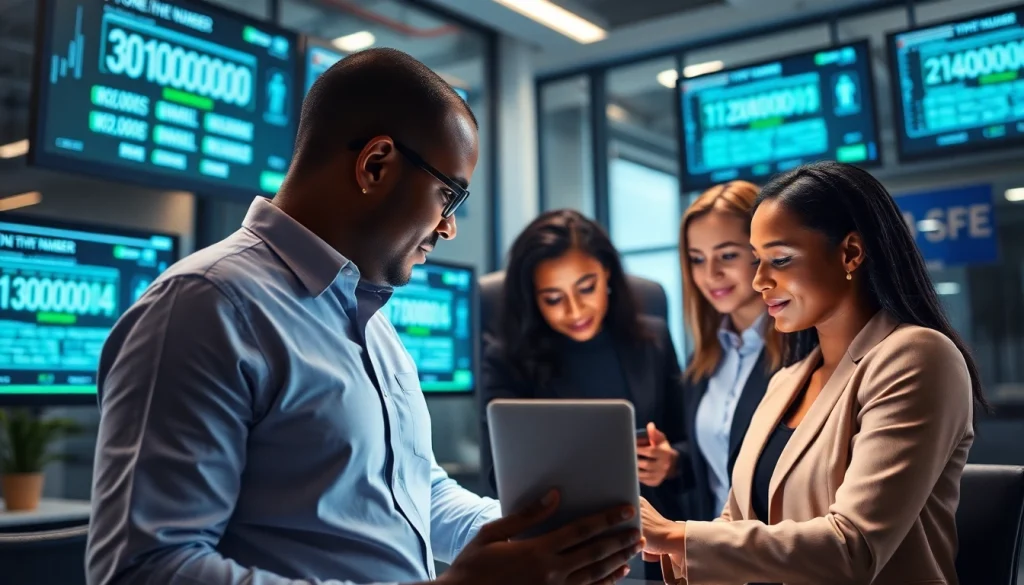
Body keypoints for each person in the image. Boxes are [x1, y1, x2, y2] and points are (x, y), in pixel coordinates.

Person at [85, 49, 643, 585]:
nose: (448, 228)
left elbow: (413, 488)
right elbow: (146, 569)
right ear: (376, 165)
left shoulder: (368, 319)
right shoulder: (203, 307)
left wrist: (545, 535)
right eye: (448, 196)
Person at [640, 161, 987, 585]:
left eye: (780, 260)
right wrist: (650, 540)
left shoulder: (917, 357)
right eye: (757, 261)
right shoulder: (787, 380)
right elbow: (734, 523)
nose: (759, 282)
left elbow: (852, 547)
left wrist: (676, 535)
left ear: (851, 253)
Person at [479, 209, 687, 581]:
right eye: (553, 298)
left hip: (653, 545)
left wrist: (670, 461)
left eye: (586, 287)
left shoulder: (652, 338)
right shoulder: (506, 358)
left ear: (607, 272)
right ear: (533, 299)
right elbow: (499, 474)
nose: (574, 311)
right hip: (560, 549)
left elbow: (688, 441)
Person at [677, 181, 783, 522]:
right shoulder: (704, 359)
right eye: (697, 259)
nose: (711, 275)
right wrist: (675, 462)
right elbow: (719, 465)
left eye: (727, 255)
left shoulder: (806, 350)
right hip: (713, 556)